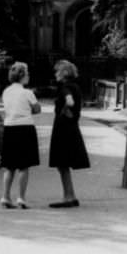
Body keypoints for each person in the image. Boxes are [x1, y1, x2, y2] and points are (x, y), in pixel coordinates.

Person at [48, 59, 90, 207]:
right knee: (63, 163)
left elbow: (70, 101)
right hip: (71, 127)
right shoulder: (76, 87)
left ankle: (68, 196)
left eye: (57, 71)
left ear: (63, 73)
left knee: (62, 163)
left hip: (63, 128)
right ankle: (70, 195)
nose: (55, 74)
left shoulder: (65, 88)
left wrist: (65, 110)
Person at [0, 61, 41, 208]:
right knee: (24, 166)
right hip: (25, 128)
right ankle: (21, 198)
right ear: (22, 76)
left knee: (9, 166)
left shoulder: (6, 92)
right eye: (27, 73)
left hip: (9, 128)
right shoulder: (27, 92)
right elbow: (37, 109)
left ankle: (5, 196)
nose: (29, 76)